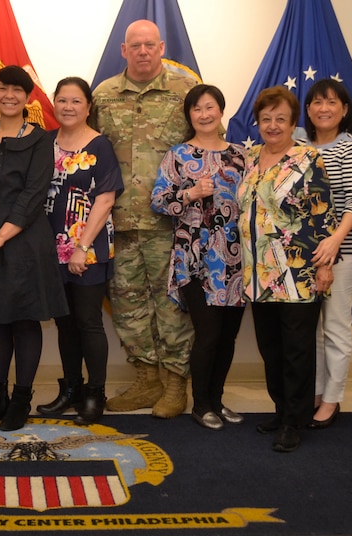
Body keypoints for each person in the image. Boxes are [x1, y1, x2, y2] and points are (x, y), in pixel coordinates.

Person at [92, 19, 197, 418]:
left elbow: (206, 142)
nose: (142, 51)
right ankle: (146, 379)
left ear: (161, 46)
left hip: (169, 223)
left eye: (149, 45)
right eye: (134, 45)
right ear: (124, 50)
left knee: (172, 307)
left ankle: (175, 384)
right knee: (128, 307)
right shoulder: (103, 95)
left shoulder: (185, 91)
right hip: (116, 221)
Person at [0, 66, 68, 432]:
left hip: (23, 246)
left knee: (23, 321)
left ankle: (21, 399)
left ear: (27, 97)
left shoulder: (40, 140)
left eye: (17, 90)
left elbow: (32, 198)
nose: (9, 95)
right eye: (2, 88)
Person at [239, 87, 335, 452]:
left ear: (294, 123)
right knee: (271, 348)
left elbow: (323, 214)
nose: (273, 125)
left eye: (281, 119)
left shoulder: (308, 159)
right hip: (258, 275)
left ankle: (295, 421)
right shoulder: (250, 157)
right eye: (266, 119)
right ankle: (281, 411)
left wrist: (325, 266)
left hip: (298, 272)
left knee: (296, 349)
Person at [150, 84, 245, 430]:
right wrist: (190, 193)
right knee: (208, 334)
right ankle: (200, 404)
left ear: (221, 110)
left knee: (228, 336)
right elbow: (158, 201)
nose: (204, 115)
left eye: (210, 108)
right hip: (195, 260)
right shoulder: (177, 155)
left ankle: (218, 401)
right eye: (197, 109)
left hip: (235, 261)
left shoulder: (240, 154)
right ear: (189, 115)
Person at [38, 76, 123, 425]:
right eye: (62, 100)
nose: (68, 107)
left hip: (88, 249)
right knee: (65, 324)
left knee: (88, 323)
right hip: (50, 250)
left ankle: (95, 393)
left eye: (76, 101)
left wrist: (81, 247)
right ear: (54, 104)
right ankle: (71, 389)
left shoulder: (100, 146)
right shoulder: (44, 143)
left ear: (88, 107)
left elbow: (105, 198)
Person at [300, 79, 352, 429]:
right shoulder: (299, 143)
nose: (323, 108)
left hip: (341, 251)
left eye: (331, 102)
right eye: (316, 102)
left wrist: (334, 241)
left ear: (344, 109)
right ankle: (315, 392)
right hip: (303, 254)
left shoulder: (351, 149)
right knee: (311, 331)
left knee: (337, 327)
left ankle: (332, 400)